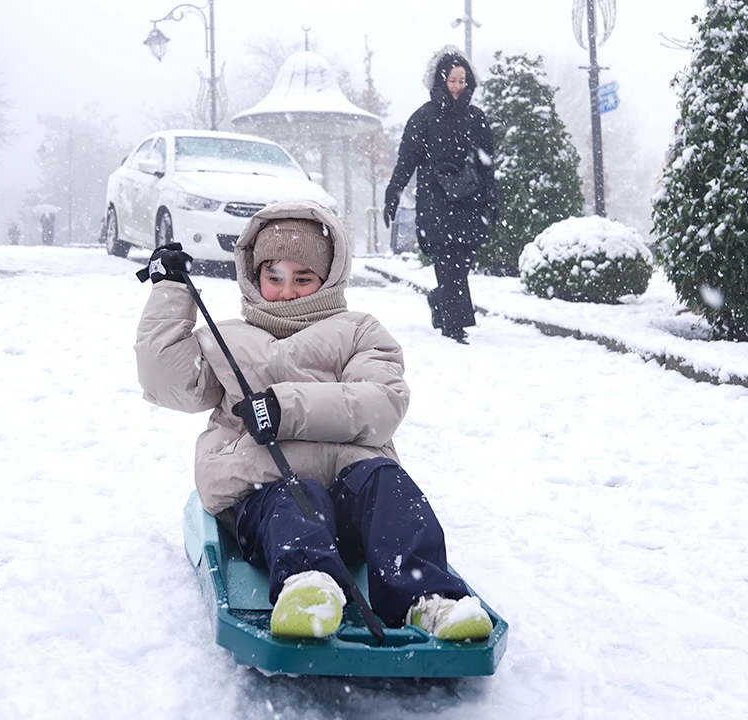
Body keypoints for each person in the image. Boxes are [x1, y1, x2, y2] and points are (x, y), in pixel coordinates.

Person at [135, 200, 493, 641]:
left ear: (328, 278)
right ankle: (308, 587)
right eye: (275, 278)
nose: (287, 291)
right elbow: (167, 381)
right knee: (294, 496)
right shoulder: (224, 338)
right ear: (254, 276)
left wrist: (286, 409)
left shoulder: (359, 331)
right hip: (265, 492)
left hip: (351, 489)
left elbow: (381, 403)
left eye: (303, 279)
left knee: (389, 484)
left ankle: (429, 598)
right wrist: (170, 291)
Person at [384, 46, 499, 344]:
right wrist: (393, 192)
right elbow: (406, 160)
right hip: (435, 202)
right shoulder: (423, 117)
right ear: (441, 81)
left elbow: (487, 163)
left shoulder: (477, 118)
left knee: (462, 263)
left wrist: (492, 198)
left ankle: (440, 300)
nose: (459, 86)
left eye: (463, 80)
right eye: (453, 80)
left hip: (469, 200)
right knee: (447, 262)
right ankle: (454, 324)